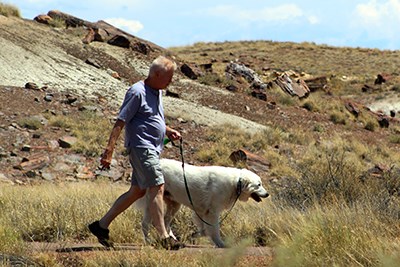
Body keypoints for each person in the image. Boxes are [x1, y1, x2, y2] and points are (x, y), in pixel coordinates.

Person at [88, 56, 183, 250]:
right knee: (158, 185)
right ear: (156, 74)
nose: (170, 82)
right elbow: (121, 121)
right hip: (141, 147)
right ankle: (164, 237)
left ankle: (101, 225)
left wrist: (167, 130)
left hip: (153, 148)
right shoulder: (137, 92)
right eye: (169, 77)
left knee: (137, 191)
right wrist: (109, 150)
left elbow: (151, 118)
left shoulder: (156, 91)